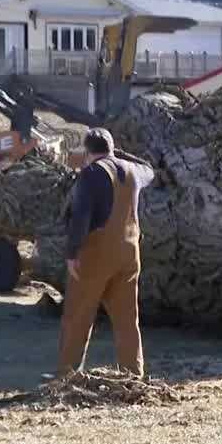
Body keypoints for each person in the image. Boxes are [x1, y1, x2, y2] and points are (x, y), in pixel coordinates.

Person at [56, 128, 154, 378]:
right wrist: (117, 153)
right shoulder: (135, 171)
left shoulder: (91, 173)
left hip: (97, 254)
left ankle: (68, 376)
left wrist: (72, 253)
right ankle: (133, 375)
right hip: (129, 254)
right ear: (111, 148)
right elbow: (149, 168)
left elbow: (81, 216)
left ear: (87, 152)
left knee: (77, 317)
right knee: (126, 320)